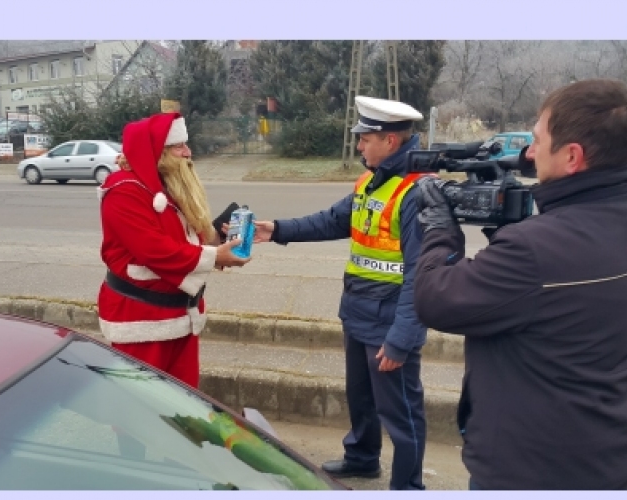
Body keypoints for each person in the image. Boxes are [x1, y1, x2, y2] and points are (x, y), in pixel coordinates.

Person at [412, 78, 627, 490]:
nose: (528, 154)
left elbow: (436, 299)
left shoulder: (533, 249)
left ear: (572, 156)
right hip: (606, 453)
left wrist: (441, 230)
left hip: (530, 469)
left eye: (537, 141)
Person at [254, 96, 427, 490]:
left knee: (401, 412)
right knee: (361, 398)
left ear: (391, 142)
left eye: (365, 138)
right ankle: (363, 459)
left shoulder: (417, 193)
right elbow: (332, 220)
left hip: (389, 324)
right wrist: (277, 230)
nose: (359, 146)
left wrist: (402, 338)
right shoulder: (371, 181)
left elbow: (423, 274)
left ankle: (408, 487)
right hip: (359, 312)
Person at [97, 112, 250, 389]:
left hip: (179, 316)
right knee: (140, 407)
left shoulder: (164, 186)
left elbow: (183, 238)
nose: (188, 153)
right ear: (158, 151)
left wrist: (217, 240)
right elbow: (154, 250)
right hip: (141, 320)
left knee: (182, 403)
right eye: (180, 146)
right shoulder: (123, 190)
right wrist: (215, 256)